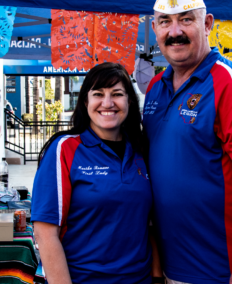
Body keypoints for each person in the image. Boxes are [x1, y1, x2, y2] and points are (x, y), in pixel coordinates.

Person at [143, 1, 232, 284]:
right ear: (155, 28)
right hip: (172, 265)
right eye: (166, 22)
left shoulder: (231, 82)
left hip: (224, 269)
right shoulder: (156, 87)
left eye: (185, 20)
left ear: (207, 24)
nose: (175, 31)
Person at [31, 63, 160, 283]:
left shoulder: (142, 150)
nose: (107, 103)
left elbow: (150, 224)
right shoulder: (65, 149)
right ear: (85, 102)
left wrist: (157, 278)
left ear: (129, 101)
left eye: (117, 94)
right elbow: (45, 234)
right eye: (98, 94)